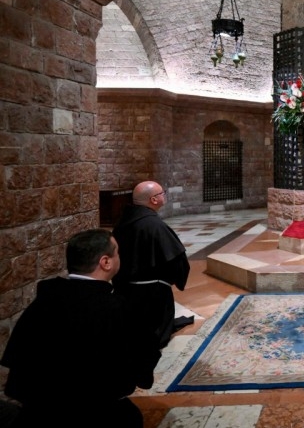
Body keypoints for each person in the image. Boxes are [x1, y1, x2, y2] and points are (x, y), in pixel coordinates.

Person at [0, 229, 160, 428]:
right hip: (94, 414)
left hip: (38, 413)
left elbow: (19, 361)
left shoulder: (44, 301)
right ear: (106, 262)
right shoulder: (117, 309)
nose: (120, 257)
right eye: (117, 252)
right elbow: (144, 355)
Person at [113, 181, 191, 349]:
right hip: (151, 294)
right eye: (162, 193)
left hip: (126, 290)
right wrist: (172, 278)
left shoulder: (123, 222)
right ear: (154, 200)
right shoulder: (154, 225)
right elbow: (177, 260)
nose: (165, 195)